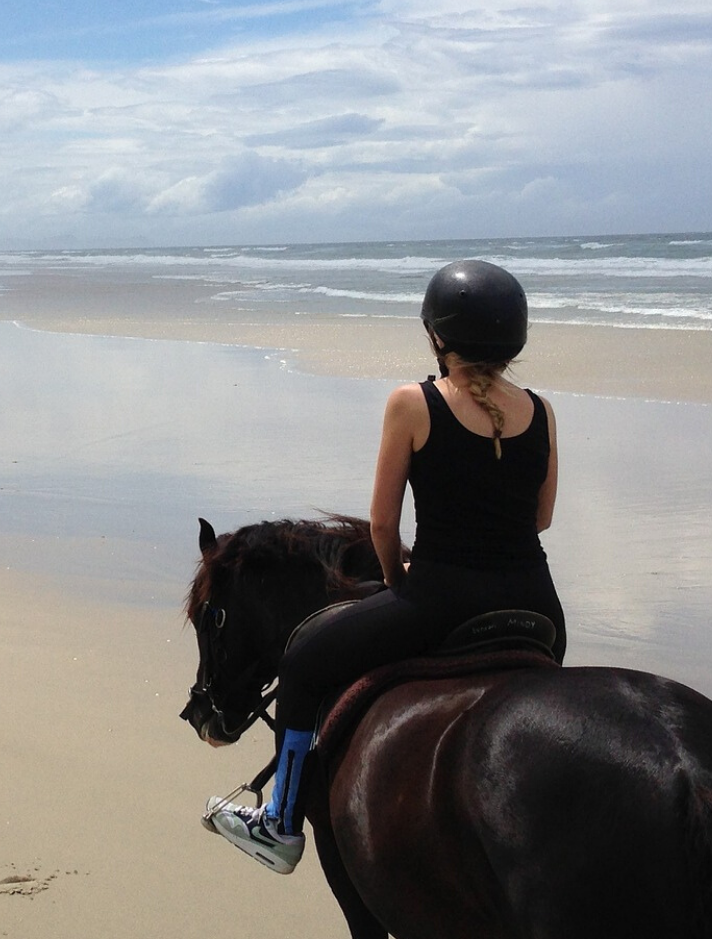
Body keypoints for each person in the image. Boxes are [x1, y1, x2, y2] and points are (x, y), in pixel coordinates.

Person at [207, 259, 564, 874]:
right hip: (540, 609)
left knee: (301, 661)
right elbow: (541, 520)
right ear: (515, 341)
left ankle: (279, 823)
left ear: (437, 336)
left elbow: (381, 527)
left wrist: (400, 586)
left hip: (441, 598)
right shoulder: (541, 410)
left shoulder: (414, 402)